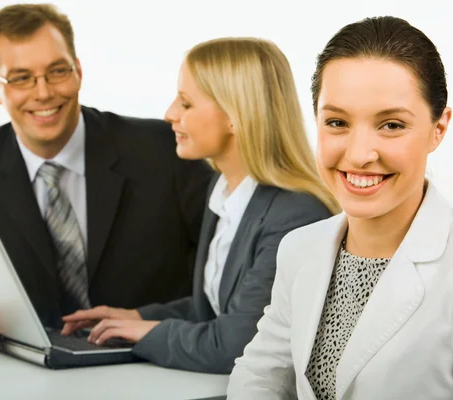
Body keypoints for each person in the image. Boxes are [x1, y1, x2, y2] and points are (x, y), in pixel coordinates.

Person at [0, 3, 212, 355]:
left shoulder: (162, 150)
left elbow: (228, 277)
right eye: (21, 78)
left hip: (157, 363)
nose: (44, 92)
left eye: (57, 71)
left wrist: (151, 319)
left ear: (78, 71)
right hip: (29, 377)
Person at [227, 16, 453, 399]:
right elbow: (259, 376)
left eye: (391, 125)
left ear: (439, 128)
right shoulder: (299, 249)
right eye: (337, 122)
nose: (358, 154)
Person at [61, 37, 339, 374]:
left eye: (186, 104)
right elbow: (212, 310)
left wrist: (146, 334)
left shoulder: (294, 215)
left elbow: (235, 344)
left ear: (235, 116)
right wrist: (135, 318)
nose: (169, 115)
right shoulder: (223, 191)